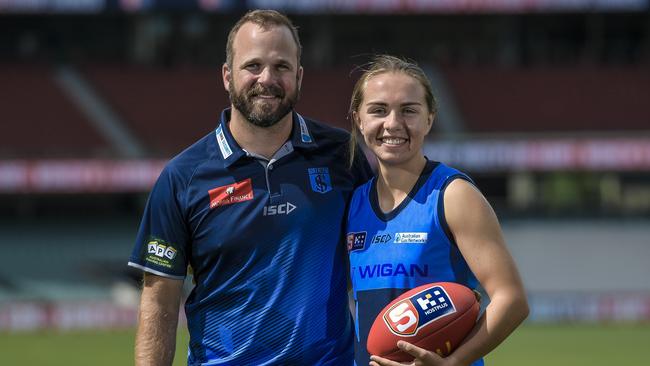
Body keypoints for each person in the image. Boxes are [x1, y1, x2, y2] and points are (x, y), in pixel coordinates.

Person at [128, 10, 372, 366]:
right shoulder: (182, 177)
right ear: (227, 76)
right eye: (253, 66)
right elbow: (159, 301)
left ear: (299, 76)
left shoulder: (342, 155)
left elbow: (378, 255)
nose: (267, 78)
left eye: (282, 67)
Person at [346, 55, 529, 366]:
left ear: (429, 118)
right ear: (358, 120)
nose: (393, 123)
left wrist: (452, 363)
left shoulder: (453, 195)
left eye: (409, 111)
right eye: (378, 110)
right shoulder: (354, 203)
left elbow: (512, 301)